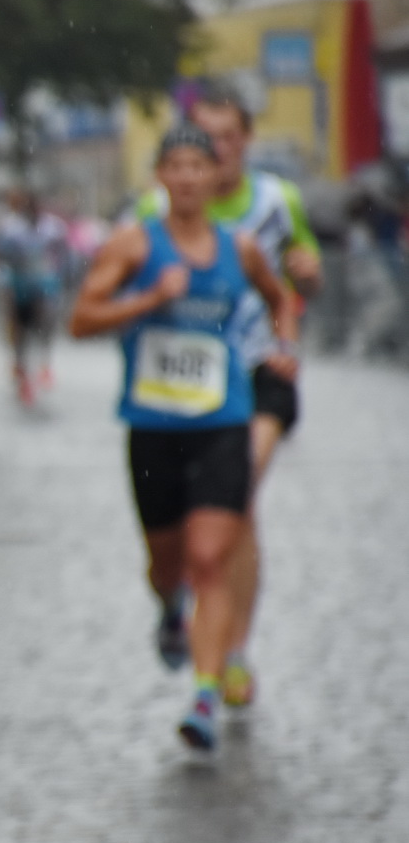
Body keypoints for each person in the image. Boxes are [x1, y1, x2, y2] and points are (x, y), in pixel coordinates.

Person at [70, 126, 298, 752]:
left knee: (209, 559)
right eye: (177, 166)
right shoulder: (135, 244)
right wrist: (146, 299)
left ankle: (204, 692)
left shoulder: (241, 247)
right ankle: (170, 606)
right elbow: (82, 318)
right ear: (162, 177)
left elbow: (280, 298)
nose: (190, 177)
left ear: (215, 175)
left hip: (224, 422)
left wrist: (284, 349)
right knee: (167, 563)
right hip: (153, 429)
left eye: (201, 165)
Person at [135, 81, 322, 707]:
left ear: (243, 142)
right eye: (202, 136)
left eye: (225, 137)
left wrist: (298, 304)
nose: (213, 148)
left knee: (238, 496)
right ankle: (210, 626)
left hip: (261, 372)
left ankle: (232, 651)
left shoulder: (276, 200)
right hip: (193, 385)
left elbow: (301, 273)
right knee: (212, 525)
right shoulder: (156, 209)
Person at [0, 191, 69, 405]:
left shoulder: (53, 228)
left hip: (45, 287)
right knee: (19, 329)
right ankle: (21, 367)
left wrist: (61, 275)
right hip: (19, 287)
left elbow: (63, 256)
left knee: (46, 323)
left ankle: (43, 363)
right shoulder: (11, 228)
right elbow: (2, 255)